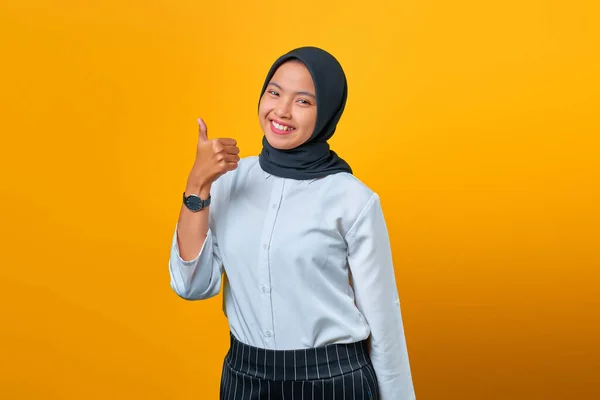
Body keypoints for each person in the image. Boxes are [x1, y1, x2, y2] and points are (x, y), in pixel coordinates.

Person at [169, 46, 416, 400]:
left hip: (334, 381)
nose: (281, 111)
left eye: (303, 101)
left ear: (326, 112)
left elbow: (383, 317)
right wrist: (198, 184)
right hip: (245, 381)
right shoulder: (227, 182)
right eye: (274, 92)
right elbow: (192, 286)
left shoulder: (353, 199)